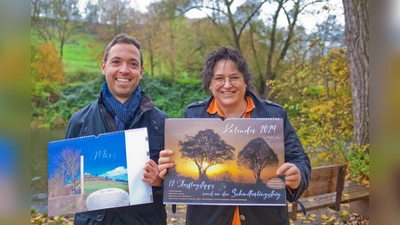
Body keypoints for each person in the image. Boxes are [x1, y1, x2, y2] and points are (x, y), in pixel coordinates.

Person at [158, 46, 311, 225]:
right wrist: (169, 168)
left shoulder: (274, 114)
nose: (228, 85)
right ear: (210, 83)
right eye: (219, 79)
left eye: (235, 77)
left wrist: (298, 175)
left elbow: (300, 159)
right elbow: (180, 166)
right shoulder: (193, 115)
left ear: (246, 81)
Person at [65, 33, 169, 225]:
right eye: (116, 62)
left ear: (141, 71)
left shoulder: (163, 123)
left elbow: (179, 187)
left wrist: (160, 183)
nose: (124, 70)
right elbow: (67, 187)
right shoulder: (79, 122)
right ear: (104, 67)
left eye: (132, 64)